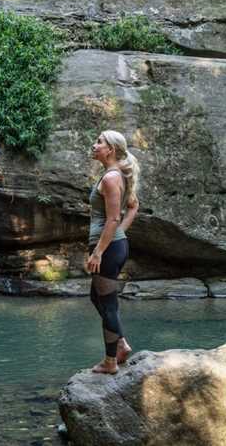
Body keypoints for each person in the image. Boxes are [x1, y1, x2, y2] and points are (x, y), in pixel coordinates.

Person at [86, 130, 140, 374]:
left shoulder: (110, 178)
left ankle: (110, 361)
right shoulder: (114, 175)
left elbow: (111, 219)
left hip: (107, 248)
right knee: (97, 297)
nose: (94, 145)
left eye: (100, 142)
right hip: (113, 244)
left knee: (107, 304)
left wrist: (98, 251)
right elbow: (133, 207)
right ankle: (120, 343)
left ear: (111, 150)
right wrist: (119, 235)